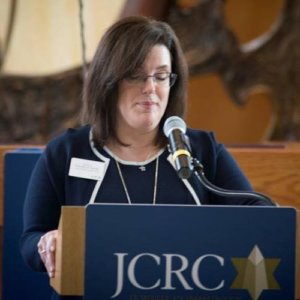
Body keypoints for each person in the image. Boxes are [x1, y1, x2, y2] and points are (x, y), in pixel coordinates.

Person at [20, 16, 274, 300]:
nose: (151, 88)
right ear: (108, 80)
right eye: (136, 75)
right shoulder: (66, 152)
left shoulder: (202, 150)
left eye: (161, 75)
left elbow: (257, 218)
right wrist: (47, 243)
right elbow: (31, 240)